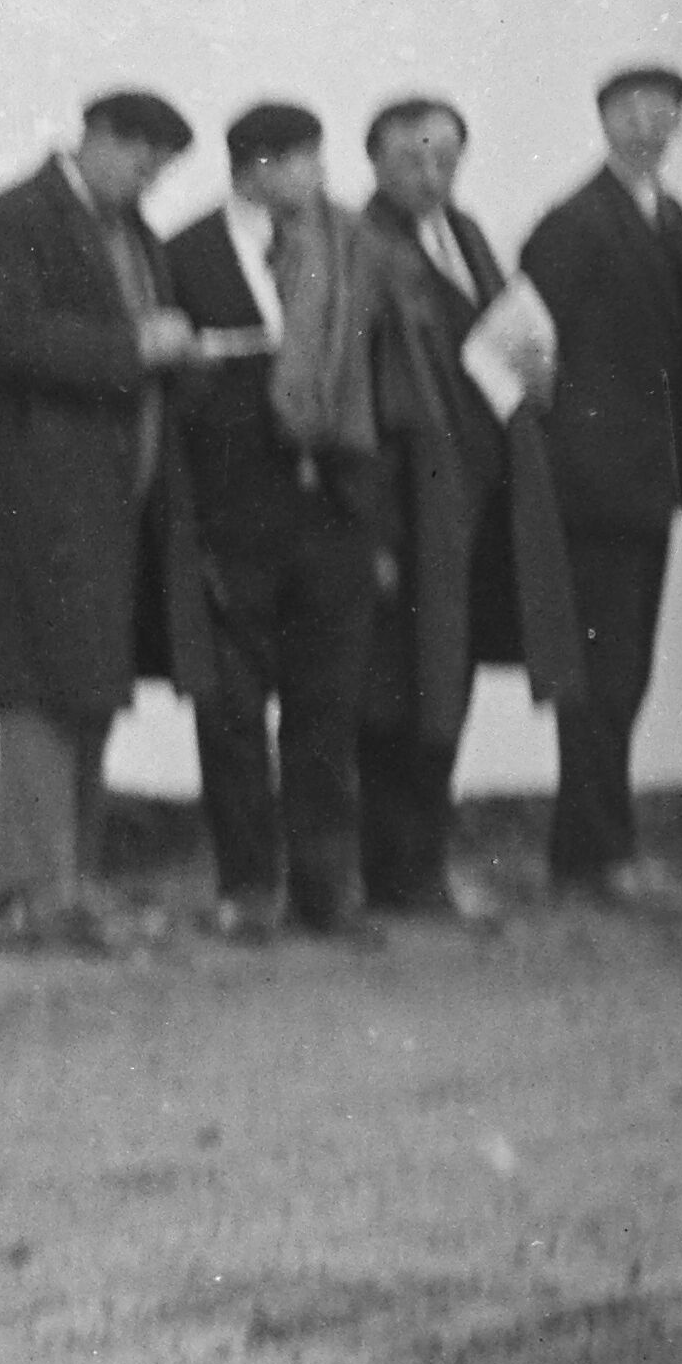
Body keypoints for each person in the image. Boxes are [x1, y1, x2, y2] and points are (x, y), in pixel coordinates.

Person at [0, 86, 206, 949]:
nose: (147, 177)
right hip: (35, 507)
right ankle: (39, 891)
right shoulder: (11, 220)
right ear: (95, 137)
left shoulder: (135, 238)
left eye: (160, 167)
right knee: (43, 692)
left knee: (87, 691)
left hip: (113, 511)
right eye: (138, 156)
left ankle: (66, 884)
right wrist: (133, 350)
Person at [147, 96, 403, 943]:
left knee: (325, 709)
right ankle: (247, 890)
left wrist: (364, 516)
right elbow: (170, 395)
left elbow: (372, 377)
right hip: (230, 522)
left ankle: (325, 892)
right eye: (303, 160)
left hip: (329, 513)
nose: (319, 177)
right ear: (256, 167)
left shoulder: (346, 250)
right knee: (229, 715)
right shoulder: (182, 252)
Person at [350, 91, 548, 928]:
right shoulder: (363, 247)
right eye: (411, 160)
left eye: (444, 159)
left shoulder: (466, 238)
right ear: (376, 164)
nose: (430, 175)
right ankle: (389, 870)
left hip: (473, 501)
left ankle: (419, 863)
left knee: (446, 684)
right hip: (400, 503)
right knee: (393, 687)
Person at [516, 61, 682, 907]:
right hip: (587, 489)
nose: (649, 124)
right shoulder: (571, 223)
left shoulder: (668, 218)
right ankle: (597, 852)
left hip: (645, 485)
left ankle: (587, 848)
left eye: (664, 111)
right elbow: (522, 352)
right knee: (596, 672)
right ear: (601, 118)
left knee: (622, 673)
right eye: (632, 109)